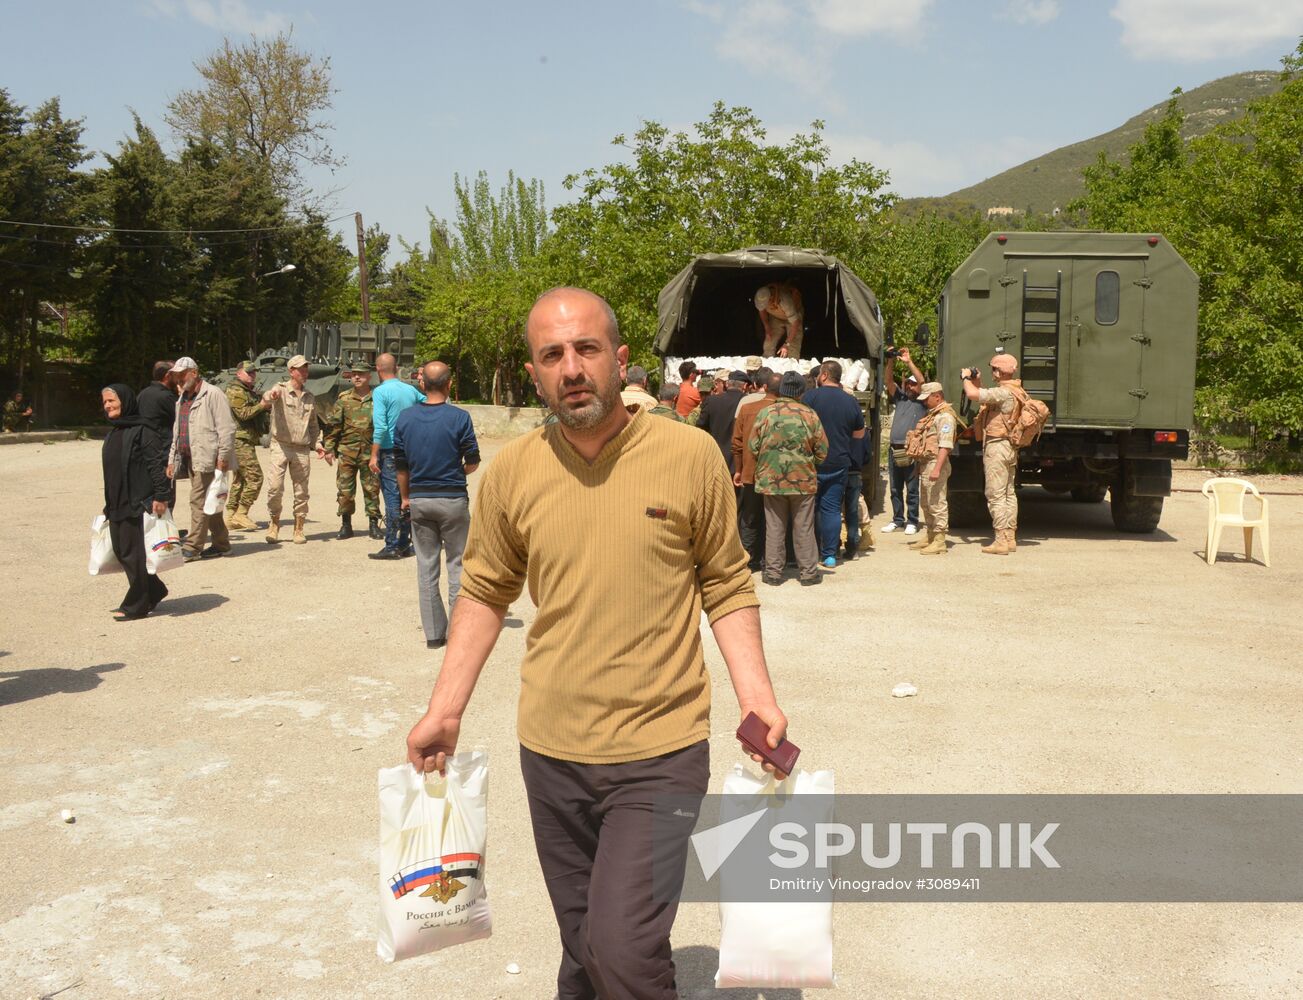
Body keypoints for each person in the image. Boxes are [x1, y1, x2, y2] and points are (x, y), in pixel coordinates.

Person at [405, 287, 791, 999]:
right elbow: (486, 592)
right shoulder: (513, 472)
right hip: (550, 752)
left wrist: (757, 697)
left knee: (622, 951)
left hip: (660, 751)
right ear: (533, 374)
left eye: (585, 349)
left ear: (618, 359)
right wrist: (445, 709)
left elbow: (727, 584)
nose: (571, 368)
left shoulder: (689, 455)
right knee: (583, 949)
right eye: (552, 355)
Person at [395, 361, 481, 650]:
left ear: (422, 384)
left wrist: (406, 498)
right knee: (457, 565)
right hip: (453, 499)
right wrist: (458, 473)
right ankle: (458, 631)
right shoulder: (460, 418)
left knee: (426, 567)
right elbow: (472, 461)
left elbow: (401, 466)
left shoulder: (405, 419)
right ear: (449, 385)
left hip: (419, 499)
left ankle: (434, 635)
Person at [749, 371, 827, 586]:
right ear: (801, 392)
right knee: (804, 527)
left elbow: (753, 446)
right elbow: (822, 450)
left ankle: (773, 574)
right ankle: (809, 573)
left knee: (774, 527)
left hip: (772, 481)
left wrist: (769, 462)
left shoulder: (766, 413)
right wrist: (807, 463)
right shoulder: (810, 414)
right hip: (803, 480)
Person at [100, 384, 170, 620]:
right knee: (121, 552)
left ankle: (137, 604)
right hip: (117, 502)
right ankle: (155, 589)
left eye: (112, 401)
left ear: (126, 400)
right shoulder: (114, 431)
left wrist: (162, 496)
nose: (107, 405)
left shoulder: (143, 430)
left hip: (138, 502)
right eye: (105, 402)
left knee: (134, 554)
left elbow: (155, 465)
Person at [165, 358, 236, 561]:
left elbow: (227, 429)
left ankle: (193, 547)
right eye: (176, 375)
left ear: (194, 373)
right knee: (210, 502)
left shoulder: (213, 394)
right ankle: (222, 545)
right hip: (190, 458)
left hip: (209, 459)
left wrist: (223, 457)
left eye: (182, 373)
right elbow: (177, 432)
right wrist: (172, 459)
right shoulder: (182, 398)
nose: (178, 378)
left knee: (198, 502)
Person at [801, 360, 865, 568]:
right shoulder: (850, 401)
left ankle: (813, 552)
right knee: (831, 509)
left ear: (825, 375)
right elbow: (859, 434)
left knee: (810, 508)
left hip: (811, 463)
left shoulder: (810, 397)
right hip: (839, 462)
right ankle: (830, 554)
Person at [263, 354, 331, 544]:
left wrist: (317, 444)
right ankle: (274, 523)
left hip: (301, 449)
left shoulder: (309, 397)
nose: (304, 372)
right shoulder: (280, 389)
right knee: (275, 488)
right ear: (291, 371)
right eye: (301, 369)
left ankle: (299, 528)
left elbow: (313, 425)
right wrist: (271, 396)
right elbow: (268, 395)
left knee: (301, 491)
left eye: (306, 369)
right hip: (281, 446)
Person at [963, 353, 1022, 555]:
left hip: (997, 447)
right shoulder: (1016, 390)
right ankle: (1010, 537)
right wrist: (977, 381)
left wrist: (965, 378)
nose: (992, 373)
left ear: (999, 371)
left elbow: (973, 395)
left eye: (994, 369)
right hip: (1010, 447)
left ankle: (1000, 540)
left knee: (995, 495)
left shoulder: (1004, 392)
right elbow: (984, 394)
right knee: (1008, 494)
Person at [369, 352, 423, 559]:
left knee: (392, 497)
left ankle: (391, 545)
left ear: (378, 369)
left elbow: (381, 427)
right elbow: (428, 403)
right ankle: (404, 542)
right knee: (407, 496)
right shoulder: (411, 390)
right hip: (411, 449)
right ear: (397, 367)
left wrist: (374, 455)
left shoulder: (381, 392)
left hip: (390, 451)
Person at [325, 363, 381, 541]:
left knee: (371, 489)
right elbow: (334, 426)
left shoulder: (377, 398)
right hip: (347, 452)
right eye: (354, 374)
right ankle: (346, 525)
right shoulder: (344, 398)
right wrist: (329, 448)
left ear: (369, 376)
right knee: (345, 491)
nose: (357, 377)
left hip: (369, 453)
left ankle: (373, 525)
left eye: (361, 374)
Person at [732, 370, 780, 571]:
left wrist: (739, 470)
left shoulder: (747, 409)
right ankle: (771, 560)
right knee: (775, 519)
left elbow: (737, 443)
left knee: (749, 518)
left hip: (751, 473)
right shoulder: (787, 410)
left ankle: (749, 560)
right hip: (777, 475)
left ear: (764, 387)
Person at [907, 382, 958, 555]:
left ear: (937, 396)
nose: (924, 402)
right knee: (926, 502)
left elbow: (945, 445)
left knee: (937, 502)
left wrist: (937, 468)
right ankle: (930, 535)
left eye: (927, 398)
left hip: (936, 463)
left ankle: (939, 540)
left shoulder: (945, 417)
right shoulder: (933, 415)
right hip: (927, 463)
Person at [883, 351, 926, 536]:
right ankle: (897, 520)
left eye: (912, 383)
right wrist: (891, 360)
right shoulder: (900, 398)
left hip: (912, 450)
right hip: (895, 449)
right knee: (894, 488)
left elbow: (922, 382)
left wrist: (909, 362)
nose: (909, 385)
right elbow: (888, 380)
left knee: (912, 488)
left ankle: (913, 521)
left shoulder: (924, 401)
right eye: (908, 383)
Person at [224, 360, 267, 531]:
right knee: (256, 477)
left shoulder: (245, 390)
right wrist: (262, 405)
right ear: (238, 373)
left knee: (240, 479)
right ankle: (242, 513)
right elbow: (243, 414)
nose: (252, 375)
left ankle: (230, 515)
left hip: (243, 439)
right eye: (249, 372)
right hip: (239, 440)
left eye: (254, 372)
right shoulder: (236, 391)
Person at [137, 360, 178, 511]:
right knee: (165, 496)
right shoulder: (166, 397)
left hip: (146, 451)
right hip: (163, 452)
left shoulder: (143, 393)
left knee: (150, 493)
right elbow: (183, 419)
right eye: (177, 374)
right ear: (168, 376)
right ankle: (165, 530)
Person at [696, 369, 747, 475]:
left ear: (727, 384)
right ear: (745, 386)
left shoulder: (711, 401)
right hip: (740, 464)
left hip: (715, 460)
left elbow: (699, 428)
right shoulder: (748, 402)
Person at [754, 282, 804, 358]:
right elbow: (762, 311)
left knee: (793, 345)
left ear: (771, 298)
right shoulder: (762, 298)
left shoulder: (785, 300)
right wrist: (767, 328)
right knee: (769, 342)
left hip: (793, 319)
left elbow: (795, 323)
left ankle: (792, 366)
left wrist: (786, 344)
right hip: (776, 317)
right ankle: (767, 364)